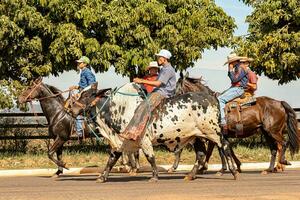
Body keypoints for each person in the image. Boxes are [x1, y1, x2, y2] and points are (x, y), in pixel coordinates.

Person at [120, 49, 176, 142]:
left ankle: (134, 133)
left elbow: (158, 83)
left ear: (165, 58)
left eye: (159, 57)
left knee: (144, 107)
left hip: (162, 93)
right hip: (159, 91)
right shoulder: (164, 69)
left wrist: (141, 81)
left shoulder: (168, 69)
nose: (158, 58)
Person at [218, 53, 249, 133]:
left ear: (234, 61)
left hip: (238, 89)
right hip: (236, 88)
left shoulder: (240, 68)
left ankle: (223, 122)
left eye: (230, 62)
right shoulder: (238, 67)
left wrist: (230, 70)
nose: (229, 64)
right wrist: (230, 70)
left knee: (220, 99)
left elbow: (234, 80)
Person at [69, 56, 96, 137]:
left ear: (85, 64)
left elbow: (92, 85)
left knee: (76, 110)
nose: (78, 64)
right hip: (84, 94)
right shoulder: (83, 71)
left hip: (86, 96)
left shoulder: (87, 72)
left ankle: (80, 132)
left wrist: (81, 93)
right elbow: (83, 85)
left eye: (80, 63)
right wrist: (76, 87)